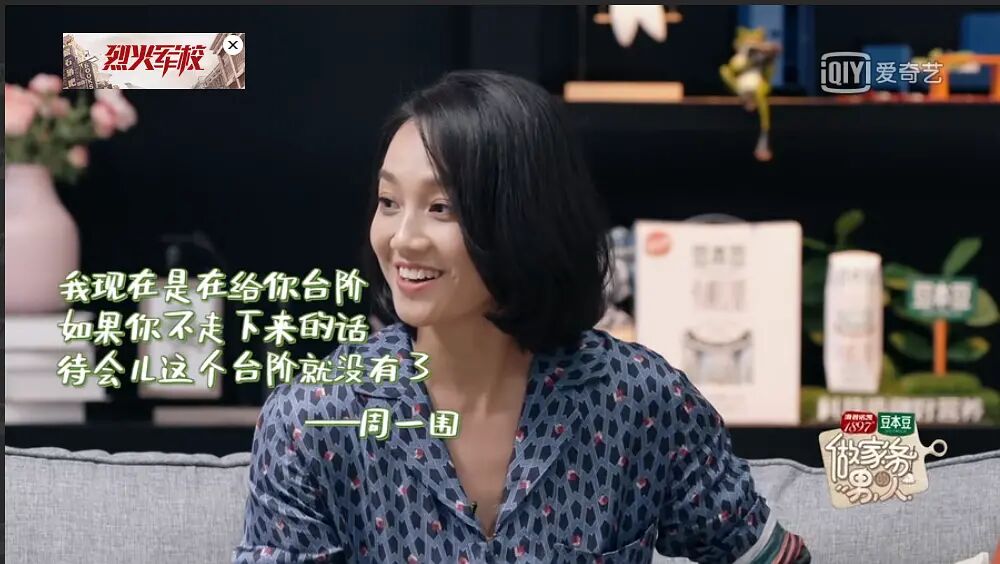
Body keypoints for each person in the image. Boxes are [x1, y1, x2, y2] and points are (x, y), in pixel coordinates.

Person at [233, 70, 810, 563]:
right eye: (389, 203)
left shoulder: (639, 399)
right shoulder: (314, 417)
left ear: (523, 219)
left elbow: (765, 554)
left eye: (441, 207)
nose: (402, 239)